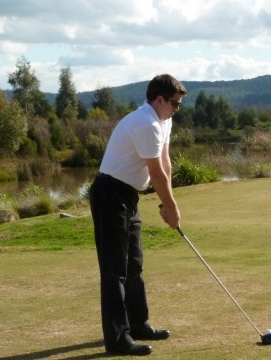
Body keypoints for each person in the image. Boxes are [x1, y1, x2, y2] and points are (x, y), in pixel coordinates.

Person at [89, 74, 186, 356]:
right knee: (115, 270)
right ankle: (118, 339)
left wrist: (170, 203)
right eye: (174, 103)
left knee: (135, 265)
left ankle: (138, 324)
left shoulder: (163, 121)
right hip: (110, 194)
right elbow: (154, 172)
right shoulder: (145, 123)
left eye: (179, 104)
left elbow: (165, 163)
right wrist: (171, 207)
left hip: (129, 195)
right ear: (158, 99)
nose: (176, 109)